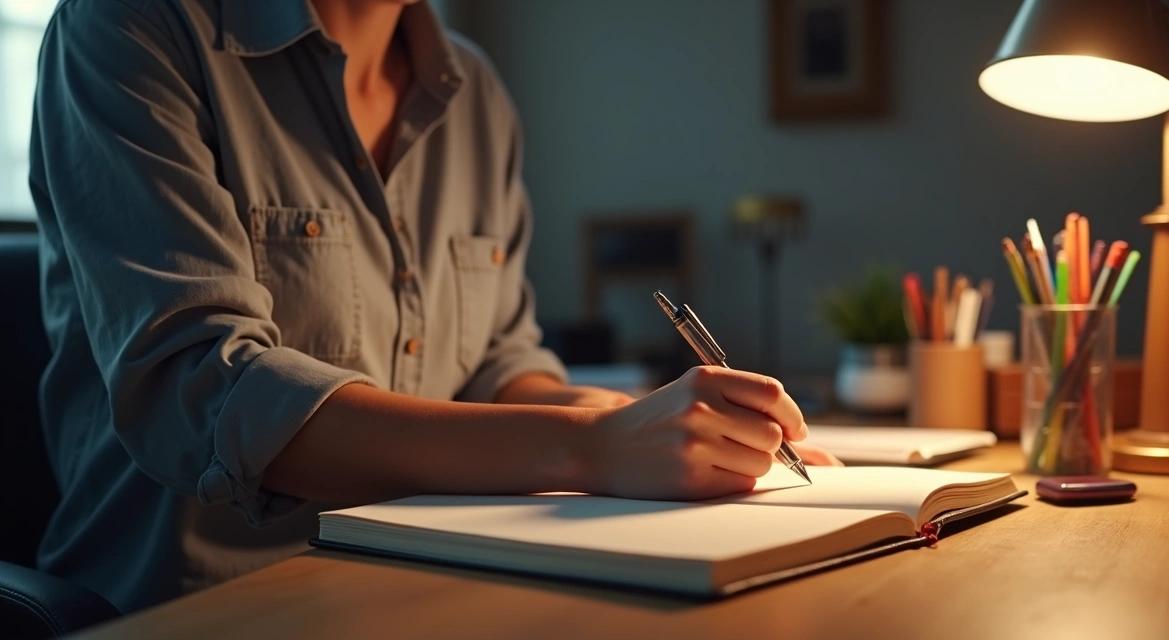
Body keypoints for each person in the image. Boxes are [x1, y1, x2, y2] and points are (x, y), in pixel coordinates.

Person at [29, 0, 839, 613]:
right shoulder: (131, 29)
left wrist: (628, 418)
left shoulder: (473, 92)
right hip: (199, 606)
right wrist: (590, 446)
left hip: (427, 586)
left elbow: (499, 363)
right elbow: (203, 392)